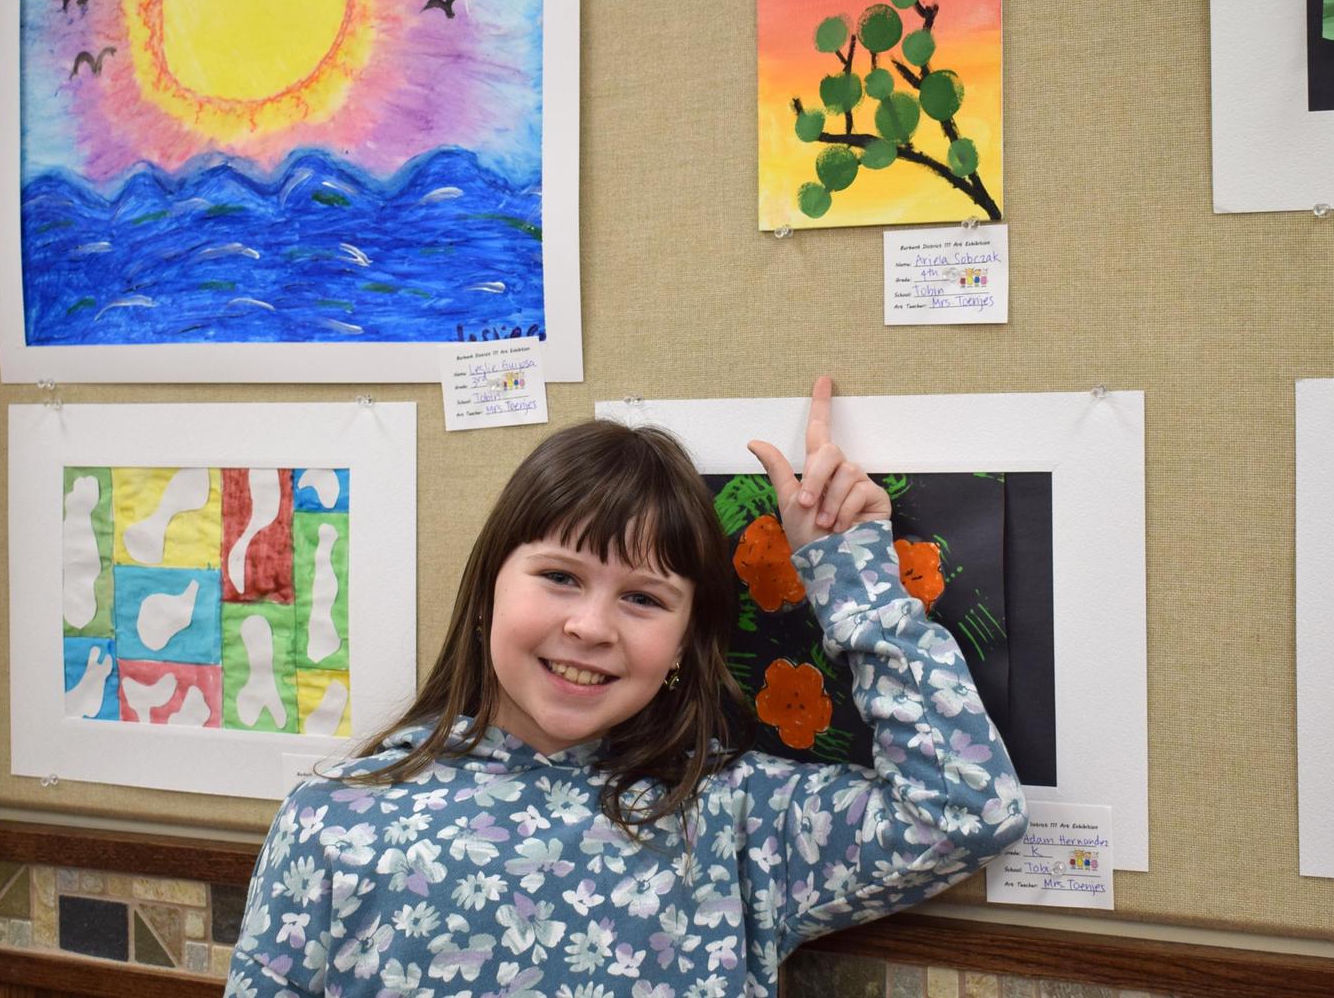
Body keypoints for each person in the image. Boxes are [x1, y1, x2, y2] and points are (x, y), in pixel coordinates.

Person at [228, 377, 1027, 998]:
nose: (590, 626)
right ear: (487, 591)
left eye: (643, 597)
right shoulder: (336, 816)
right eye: (560, 576)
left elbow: (965, 809)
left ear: (684, 642)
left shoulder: (735, 819)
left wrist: (853, 577)